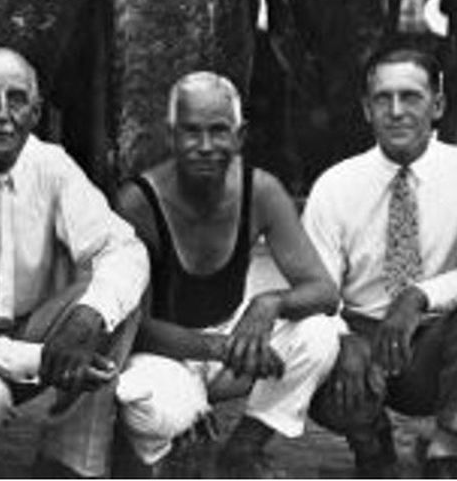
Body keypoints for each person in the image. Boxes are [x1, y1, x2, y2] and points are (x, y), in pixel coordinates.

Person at [0, 47, 150, 478]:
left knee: (120, 292)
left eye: (16, 99)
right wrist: (35, 358)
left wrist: (89, 315)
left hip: (36, 331)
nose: (1, 114)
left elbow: (125, 249)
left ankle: (69, 462)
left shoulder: (51, 165)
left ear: (35, 112)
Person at [112, 72, 342, 476]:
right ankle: (159, 448)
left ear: (240, 136)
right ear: (171, 136)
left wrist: (269, 303)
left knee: (319, 335)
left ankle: (244, 448)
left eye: (219, 131)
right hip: (163, 354)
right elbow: (131, 327)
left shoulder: (261, 191)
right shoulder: (137, 203)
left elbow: (324, 291)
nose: (205, 146)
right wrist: (218, 348)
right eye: (191, 132)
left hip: (231, 350)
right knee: (159, 411)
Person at [304, 44, 457, 479]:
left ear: (437, 105)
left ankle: (444, 451)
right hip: (362, 335)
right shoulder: (335, 185)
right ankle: (368, 437)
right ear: (366, 108)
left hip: (433, 336)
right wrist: (342, 341)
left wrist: (418, 296)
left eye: (411, 97)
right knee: (312, 347)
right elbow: (314, 291)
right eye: (383, 98)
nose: (396, 111)